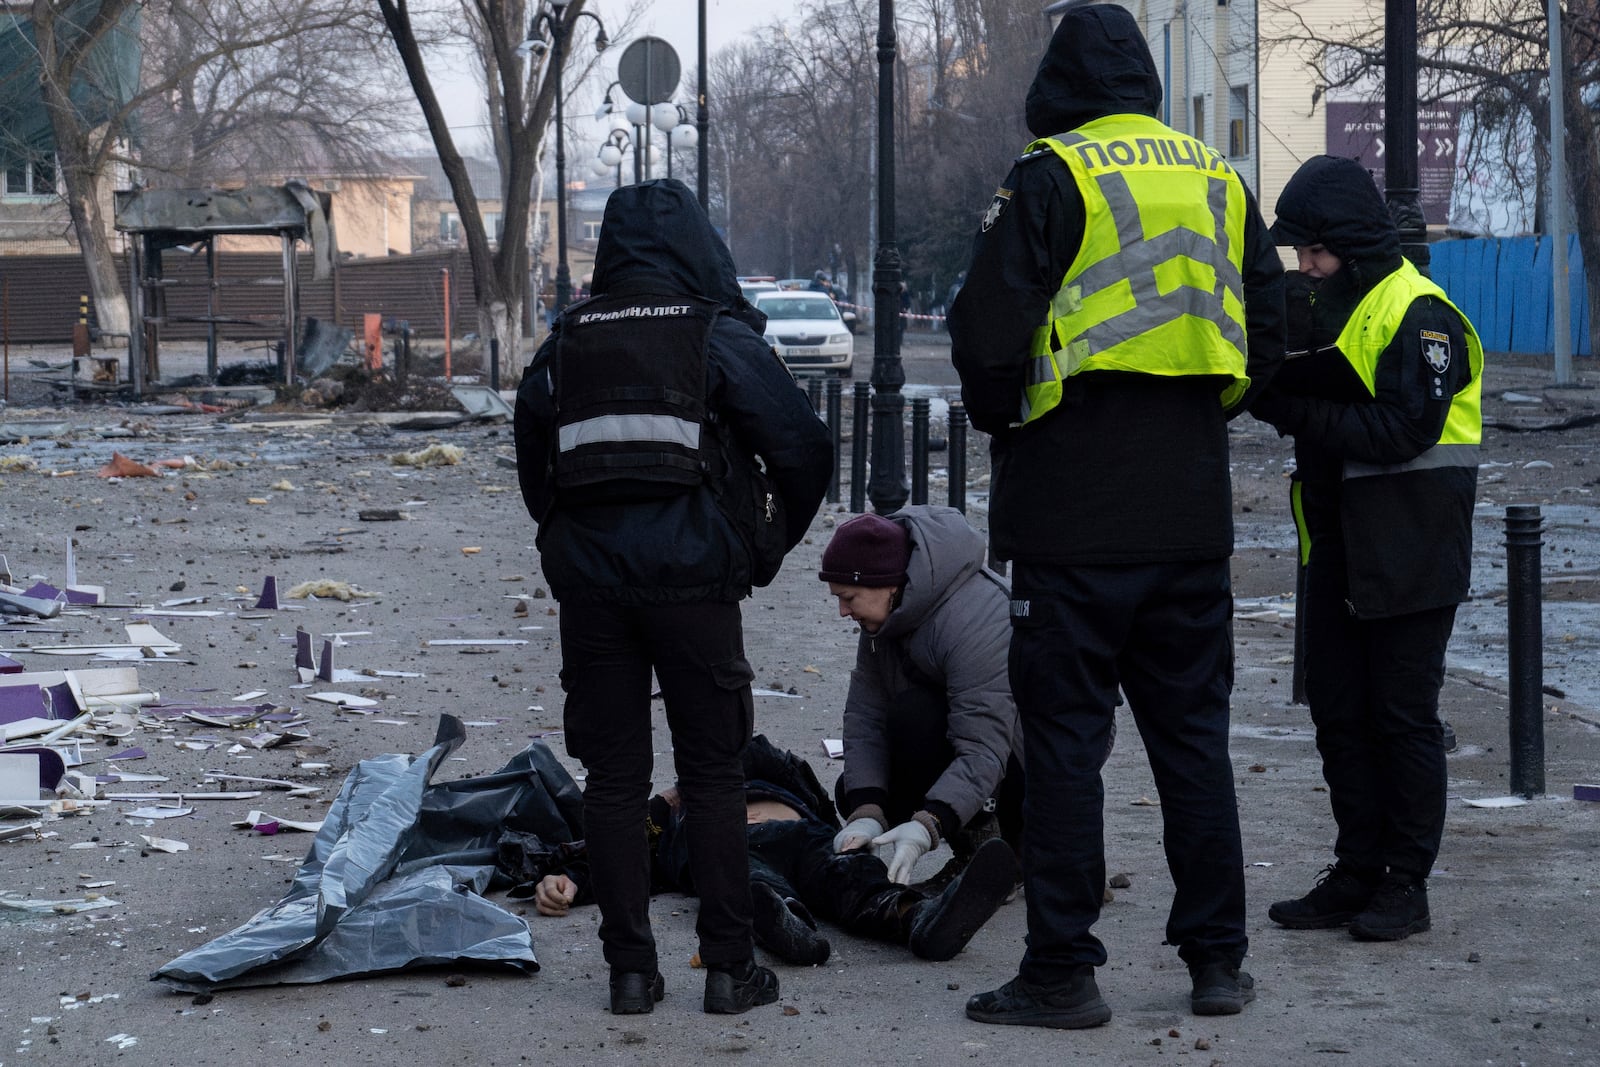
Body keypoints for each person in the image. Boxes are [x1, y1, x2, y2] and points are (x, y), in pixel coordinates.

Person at [947, 4, 1286, 1029]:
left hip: (1070, 513)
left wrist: (1009, 416)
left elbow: (987, 333)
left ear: (1054, 83)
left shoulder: (1050, 173)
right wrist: (1199, 410)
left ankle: (1062, 969)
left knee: (1063, 751)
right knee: (1193, 742)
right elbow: (1265, 331)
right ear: (1143, 77)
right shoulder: (1218, 177)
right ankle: (1216, 960)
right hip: (1189, 509)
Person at [513, 178, 832, 1017]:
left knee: (613, 780)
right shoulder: (714, 336)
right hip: (696, 587)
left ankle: (631, 974)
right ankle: (730, 970)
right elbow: (801, 445)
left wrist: (571, 539)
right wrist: (762, 546)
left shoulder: (563, 346)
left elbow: (533, 468)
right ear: (696, 243)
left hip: (593, 594)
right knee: (715, 773)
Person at [1249, 155, 1481, 942]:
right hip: (1342, 549)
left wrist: (1292, 410)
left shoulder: (1421, 313)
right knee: (1341, 716)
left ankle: (1404, 884)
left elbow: (1403, 430)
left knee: (1402, 719)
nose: (1305, 267)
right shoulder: (1341, 306)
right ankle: (1356, 870)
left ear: (1348, 241)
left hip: (1413, 554)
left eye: (1314, 251)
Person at [532, 736, 1020, 966]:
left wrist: (706, 772)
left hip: (804, 838)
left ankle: (920, 919)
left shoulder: (772, 773)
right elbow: (627, 848)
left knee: (852, 877)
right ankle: (784, 922)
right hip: (724, 848)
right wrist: (574, 879)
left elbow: (753, 750)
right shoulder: (673, 815)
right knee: (747, 877)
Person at [819, 506, 1023, 890]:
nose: (843, 611)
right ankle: (977, 843)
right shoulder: (887, 616)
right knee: (853, 788)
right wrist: (867, 811)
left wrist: (929, 824)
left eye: (848, 597)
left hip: (1024, 760)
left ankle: (1000, 849)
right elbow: (865, 716)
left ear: (888, 584)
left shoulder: (974, 619)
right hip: (970, 746)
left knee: (915, 716)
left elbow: (984, 747)